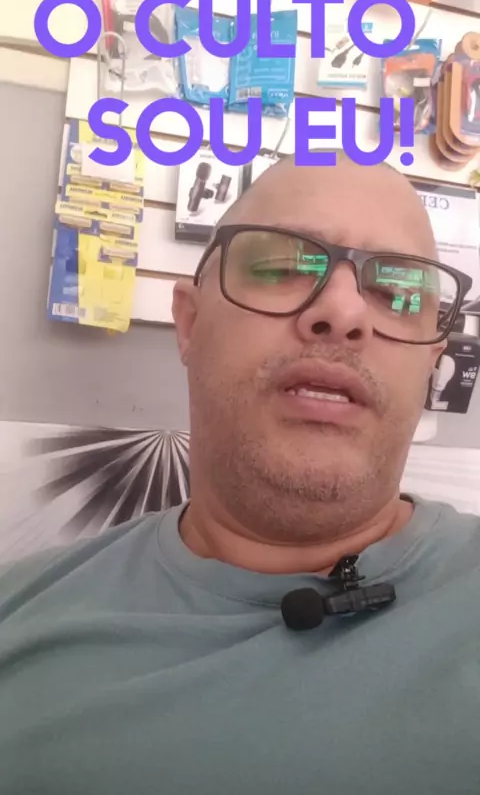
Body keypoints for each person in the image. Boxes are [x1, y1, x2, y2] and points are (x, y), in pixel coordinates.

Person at [1, 153, 479, 795]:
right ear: (190, 323)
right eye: (282, 267)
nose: (344, 312)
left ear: (431, 365)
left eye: (397, 293)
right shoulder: (17, 617)